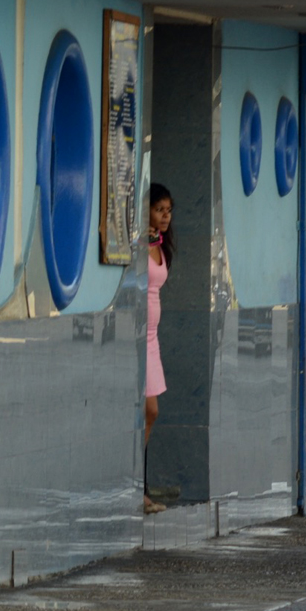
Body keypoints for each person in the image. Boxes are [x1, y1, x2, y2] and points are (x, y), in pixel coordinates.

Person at [144, 183, 175, 515]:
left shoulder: (159, 245)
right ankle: (137, 484)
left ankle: (138, 484)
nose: (165, 216)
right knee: (149, 410)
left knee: (151, 410)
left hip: (153, 337)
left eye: (168, 211)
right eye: (158, 210)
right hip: (140, 335)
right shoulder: (142, 243)